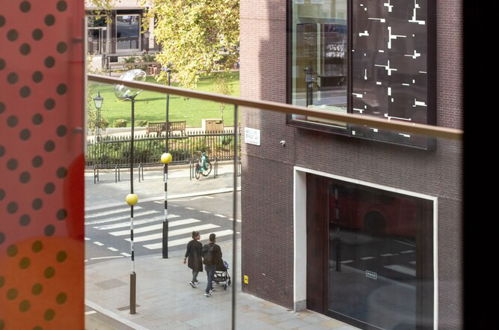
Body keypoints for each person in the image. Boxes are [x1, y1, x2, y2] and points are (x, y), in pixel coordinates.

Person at [202, 233, 222, 297]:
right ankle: (207, 291)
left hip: (206, 264)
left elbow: (202, 254)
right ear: (215, 239)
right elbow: (220, 256)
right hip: (212, 265)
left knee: (209, 277)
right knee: (210, 278)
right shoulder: (217, 247)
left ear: (209, 239)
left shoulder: (205, 246)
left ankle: (211, 288)